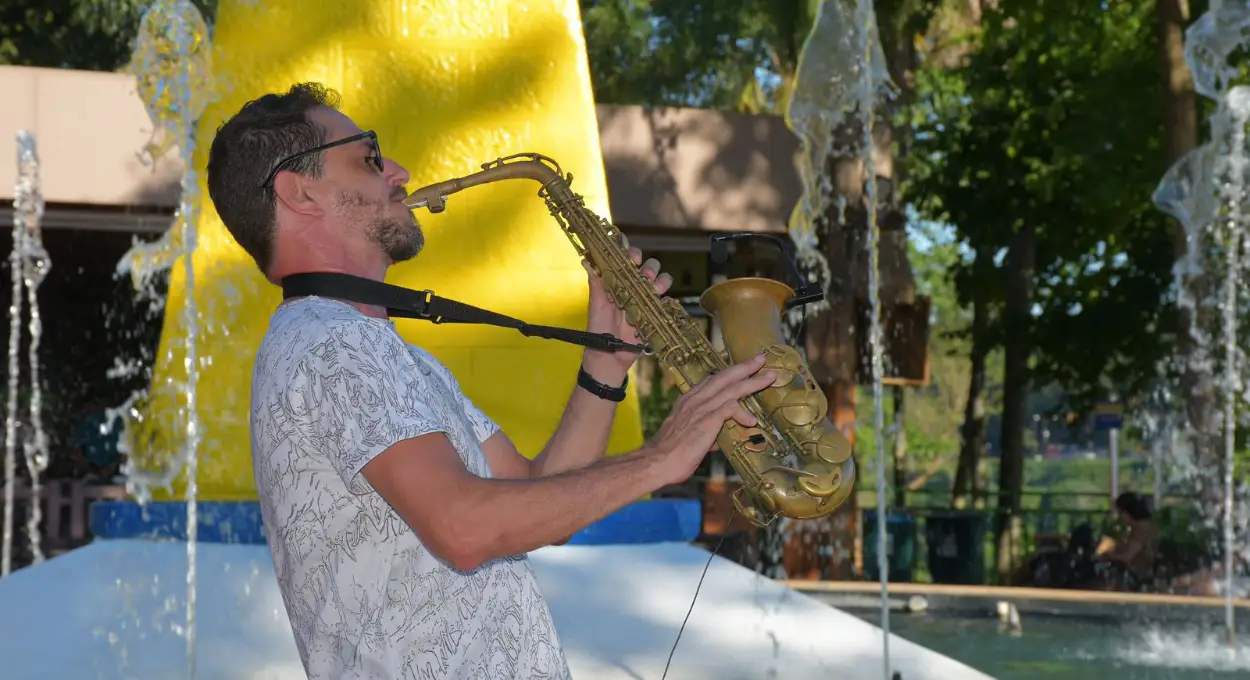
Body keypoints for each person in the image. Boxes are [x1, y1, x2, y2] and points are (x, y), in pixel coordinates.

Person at [204, 82, 777, 679]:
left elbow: (533, 490)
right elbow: (464, 528)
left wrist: (606, 365)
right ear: (299, 192)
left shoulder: (384, 352)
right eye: (369, 156)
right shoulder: (330, 341)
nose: (397, 171)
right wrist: (662, 458)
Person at [1094, 491, 1159, 589]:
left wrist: (1105, 555)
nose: (1120, 517)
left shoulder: (1141, 530)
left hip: (1138, 579)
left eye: (1120, 513)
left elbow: (1128, 557)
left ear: (1128, 512)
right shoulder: (1146, 526)